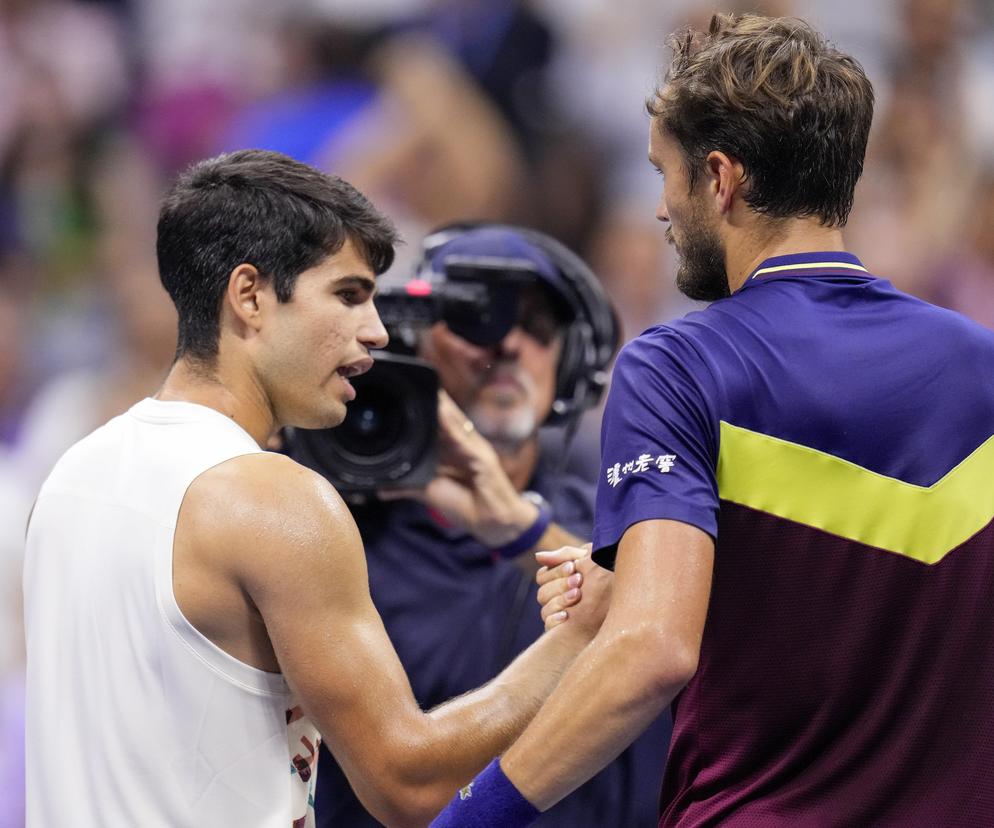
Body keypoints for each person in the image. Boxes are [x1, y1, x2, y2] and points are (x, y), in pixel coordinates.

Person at [433, 13, 994, 827]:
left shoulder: (677, 366)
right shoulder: (982, 363)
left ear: (721, 179)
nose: (660, 208)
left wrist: (468, 820)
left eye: (664, 172)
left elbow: (652, 648)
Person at [22, 149, 612, 828]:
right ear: (249, 296)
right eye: (348, 295)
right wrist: (578, 638)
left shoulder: (68, 479)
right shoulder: (276, 500)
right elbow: (408, 783)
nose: (378, 331)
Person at [310, 224, 671, 827]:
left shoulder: (630, 516)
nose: (506, 345)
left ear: (572, 361)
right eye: (476, 320)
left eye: (535, 327)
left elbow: (667, 622)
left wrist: (521, 530)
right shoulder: (333, 534)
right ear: (412, 348)